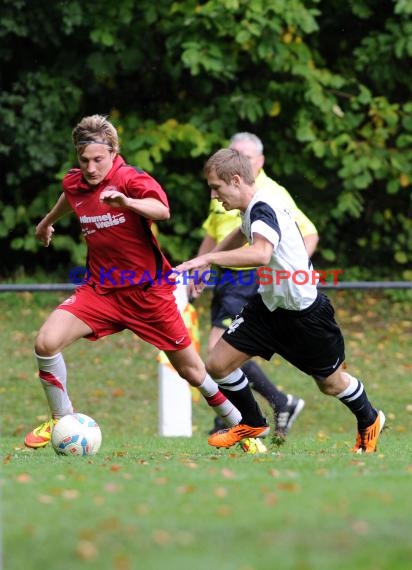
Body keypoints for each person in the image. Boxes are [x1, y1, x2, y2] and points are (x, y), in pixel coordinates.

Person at [24, 115, 269, 449]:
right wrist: (47, 222)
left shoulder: (129, 179)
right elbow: (72, 196)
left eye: (98, 160)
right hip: (101, 290)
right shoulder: (76, 182)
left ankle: (243, 431)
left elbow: (161, 209)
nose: (92, 168)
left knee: (193, 372)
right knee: (45, 343)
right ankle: (60, 417)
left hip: (148, 294)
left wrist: (127, 202)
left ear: (113, 153)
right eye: (85, 161)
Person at [176, 148, 385, 453]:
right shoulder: (253, 207)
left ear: (235, 180)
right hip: (268, 308)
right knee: (217, 364)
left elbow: (261, 253)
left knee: (330, 384)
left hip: (305, 314)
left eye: (216, 188)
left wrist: (207, 256)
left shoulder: (263, 206)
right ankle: (252, 421)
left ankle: (369, 419)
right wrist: (209, 262)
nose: (213, 196)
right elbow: (240, 230)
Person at [193, 132, 318, 442]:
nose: (238, 161)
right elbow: (216, 231)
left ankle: (260, 411)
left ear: (258, 162)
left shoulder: (272, 193)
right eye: (233, 153)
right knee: (227, 354)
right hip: (228, 274)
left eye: (246, 157)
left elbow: (307, 234)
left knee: (218, 349)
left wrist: (288, 272)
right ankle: (264, 408)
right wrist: (202, 264)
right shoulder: (221, 188)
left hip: (250, 275)